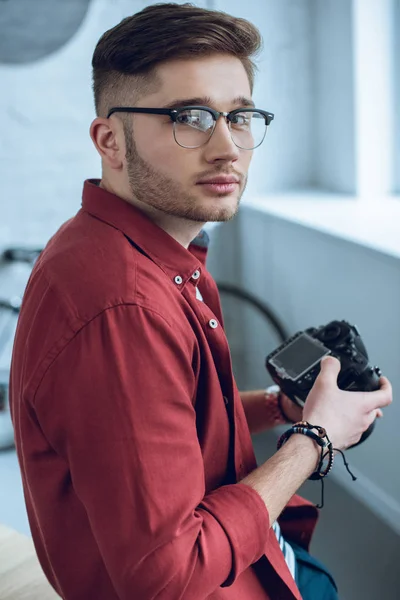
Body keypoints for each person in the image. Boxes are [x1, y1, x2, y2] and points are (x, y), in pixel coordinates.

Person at [9, 3, 392, 600]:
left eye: (240, 118)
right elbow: (173, 575)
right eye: (189, 117)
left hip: (268, 555)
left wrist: (280, 409)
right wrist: (315, 440)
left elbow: (158, 425)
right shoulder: (122, 307)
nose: (227, 149)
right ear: (109, 139)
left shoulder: (141, 249)